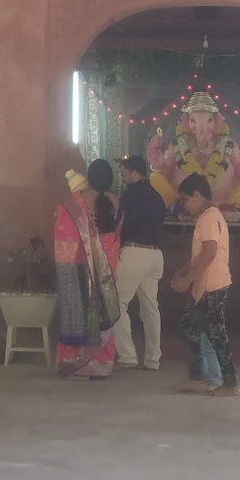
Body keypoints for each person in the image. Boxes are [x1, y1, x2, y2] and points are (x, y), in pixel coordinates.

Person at [53, 166, 122, 379]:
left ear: (89, 178)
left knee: (79, 310)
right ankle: (101, 364)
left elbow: (63, 230)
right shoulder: (117, 203)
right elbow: (117, 234)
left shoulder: (73, 203)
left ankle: (74, 363)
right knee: (103, 310)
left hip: (78, 266)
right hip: (107, 265)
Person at [171, 173, 238, 397]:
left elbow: (209, 253)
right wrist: (184, 271)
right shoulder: (208, 216)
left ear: (197, 195)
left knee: (216, 334)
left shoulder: (209, 217)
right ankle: (199, 378)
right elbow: (200, 255)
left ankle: (229, 383)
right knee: (190, 326)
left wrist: (187, 280)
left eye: (186, 200)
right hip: (205, 285)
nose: (185, 205)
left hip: (212, 285)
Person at [146, 92, 240, 212]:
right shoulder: (178, 144)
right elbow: (166, 173)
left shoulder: (227, 143)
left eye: (209, 121)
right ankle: (176, 207)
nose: (201, 127)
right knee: (155, 177)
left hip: (223, 201)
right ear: (186, 122)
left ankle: (231, 209)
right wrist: (158, 166)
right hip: (186, 201)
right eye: (193, 121)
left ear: (217, 122)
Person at [113, 155, 166, 371]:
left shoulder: (130, 194)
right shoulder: (158, 197)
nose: (124, 179)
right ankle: (153, 359)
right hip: (156, 255)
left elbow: (120, 223)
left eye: (125, 174)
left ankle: (127, 355)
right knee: (151, 308)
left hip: (134, 252)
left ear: (135, 173)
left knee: (117, 304)